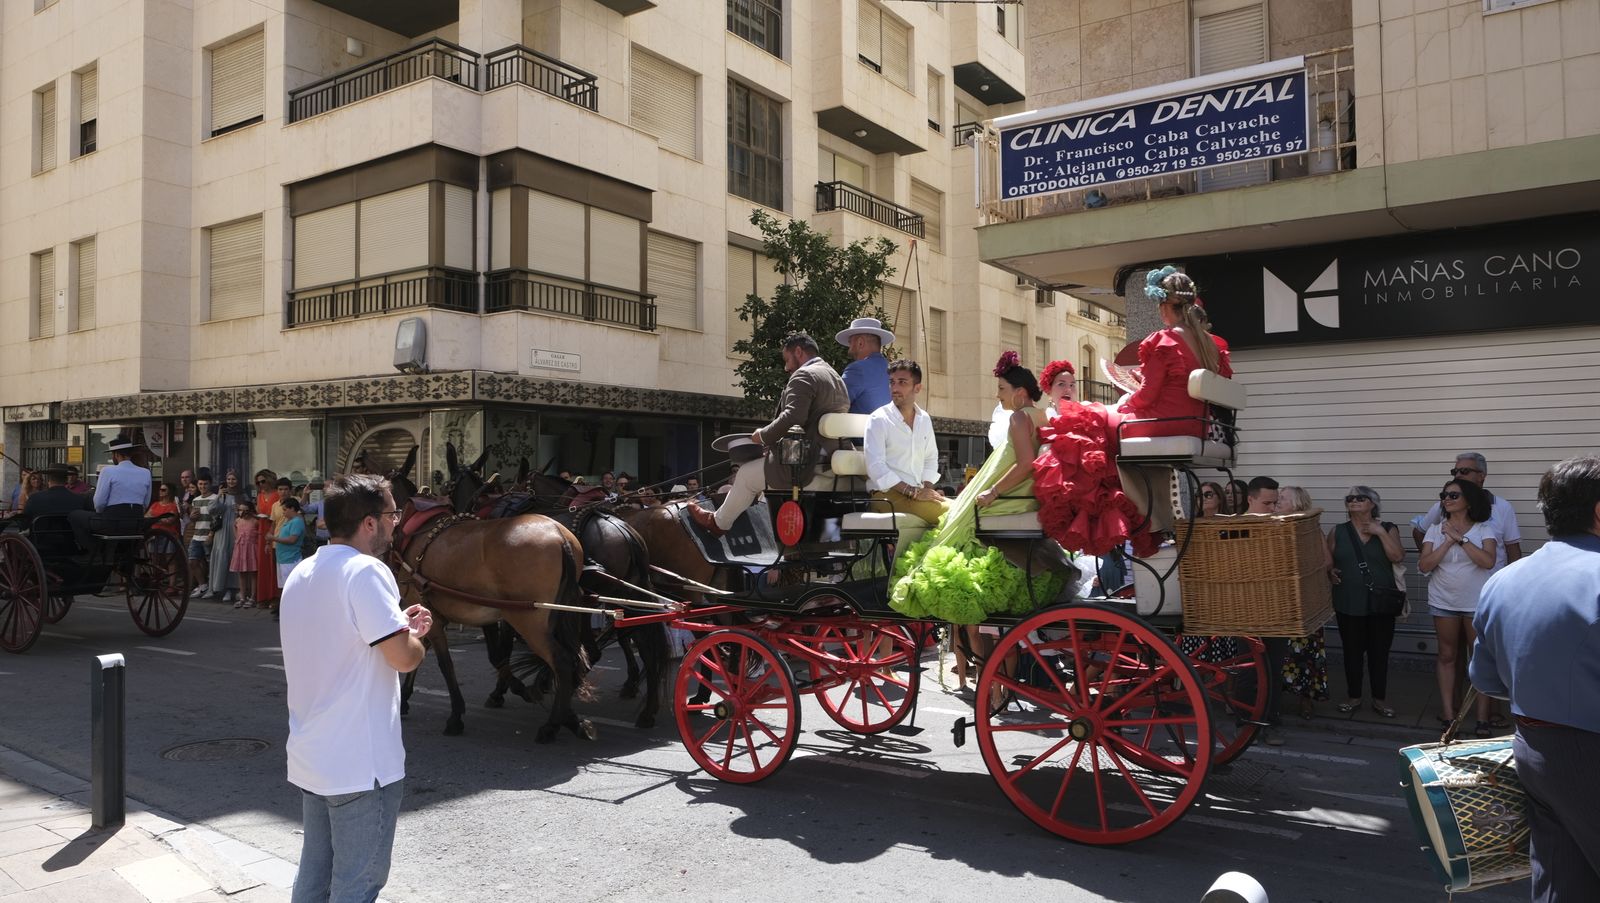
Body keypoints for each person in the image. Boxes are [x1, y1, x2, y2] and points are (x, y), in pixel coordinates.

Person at [280, 474, 430, 903]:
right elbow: (403, 658)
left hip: (314, 752)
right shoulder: (367, 570)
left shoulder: (305, 570)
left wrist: (397, 623)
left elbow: (343, 638)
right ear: (368, 522)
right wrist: (416, 639)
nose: (396, 523)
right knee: (358, 883)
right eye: (391, 514)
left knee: (315, 876)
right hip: (362, 763)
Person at [1470, 455, 1600, 902]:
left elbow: (1485, 679)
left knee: (1560, 882)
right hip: (1589, 749)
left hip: (1532, 748)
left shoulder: (1504, 580)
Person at [889, 350, 1064, 624]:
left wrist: (993, 491)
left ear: (1020, 392)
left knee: (954, 527)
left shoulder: (1020, 418)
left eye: (1002, 389)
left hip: (1009, 497)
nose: (998, 395)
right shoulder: (1043, 415)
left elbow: (1026, 463)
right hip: (1023, 496)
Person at [688, 333, 849, 536]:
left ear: (798, 352)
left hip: (805, 464)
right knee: (762, 476)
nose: (786, 367)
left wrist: (761, 436)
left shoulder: (804, 375)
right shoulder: (836, 378)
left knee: (746, 474)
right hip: (833, 461)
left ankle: (718, 523)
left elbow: (793, 418)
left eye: (787, 360)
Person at [1419, 478, 1497, 734]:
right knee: (1447, 656)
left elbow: (1487, 561)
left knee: (1479, 659)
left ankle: (1482, 718)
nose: (1447, 499)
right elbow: (1425, 565)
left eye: (1453, 495)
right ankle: (1449, 717)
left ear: (1468, 500)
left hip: (1476, 603)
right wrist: (1448, 541)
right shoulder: (1435, 529)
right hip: (1444, 602)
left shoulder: (1484, 528)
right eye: (1444, 495)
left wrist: (1461, 540)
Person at [1327, 485, 1404, 718]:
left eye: (1360, 498)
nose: (1354, 501)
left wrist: (1379, 532)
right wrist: (1330, 571)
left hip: (1381, 602)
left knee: (1379, 652)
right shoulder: (1338, 531)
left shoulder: (1388, 528)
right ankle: (1354, 696)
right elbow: (1328, 561)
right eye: (1350, 498)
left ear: (1373, 503)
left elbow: (1397, 556)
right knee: (1351, 651)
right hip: (1348, 600)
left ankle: (1380, 698)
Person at [863, 359, 948, 527]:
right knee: (952, 513)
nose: (895, 388)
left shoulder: (924, 419)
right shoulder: (878, 419)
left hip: (915, 494)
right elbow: (876, 466)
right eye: (892, 382)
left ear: (917, 388)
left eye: (902, 382)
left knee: (964, 509)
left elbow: (930, 458)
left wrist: (927, 490)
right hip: (885, 496)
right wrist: (913, 492)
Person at [1411, 451, 1522, 567]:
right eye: (1455, 472)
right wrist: (1430, 560)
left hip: (1490, 583)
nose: (1458, 475)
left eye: (1464, 471)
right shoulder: (1444, 505)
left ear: (1481, 476)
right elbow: (1419, 531)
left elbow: (1513, 549)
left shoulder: (1502, 507)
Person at [1276, 486, 1329, 719]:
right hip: (1277, 601)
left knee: (1305, 652)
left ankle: (1306, 700)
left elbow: (1326, 560)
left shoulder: (1310, 529)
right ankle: (1273, 700)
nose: (1277, 501)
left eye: (1282, 498)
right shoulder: (1269, 525)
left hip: (1304, 600)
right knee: (1277, 654)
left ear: (1297, 504)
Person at [69, 435, 151, 554]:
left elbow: (99, 502)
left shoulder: (108, 471)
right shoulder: (145, 472)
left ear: (116, 455)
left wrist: (100, 513)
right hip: (136, 520)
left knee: (74, 515)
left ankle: (94, 550)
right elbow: (146, 502)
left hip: (112, 520)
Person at [837, 317, 894, 416]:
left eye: (850, 343)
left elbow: (835, 403)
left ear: (860, 343)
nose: (849, 349)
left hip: (862, 431)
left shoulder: (857, 369)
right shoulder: (893, 369)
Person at [208, 471, 244, 601]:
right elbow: (212, 510)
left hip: (237, 530)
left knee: (234, 558)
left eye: (233, 479)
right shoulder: (223, 495)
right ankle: (222, 588)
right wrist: (218, 496)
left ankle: (235, 588)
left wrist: (240, 509)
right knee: (222, 556)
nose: (231, 482)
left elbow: (249, 512)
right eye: (228, 479)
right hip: (222, 531)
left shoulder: (243, 495)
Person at [187, 476, 218, 597]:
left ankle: (212, 587)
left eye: (205, 484)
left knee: (211, 563)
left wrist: (211, 534)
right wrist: (192, 517)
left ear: (210, 484)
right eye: (200, 484)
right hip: (197, 534)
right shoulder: (196, 500)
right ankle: (202, 585)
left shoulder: (215, 498)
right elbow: (194, 520)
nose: (202, 487)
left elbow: (217, 519)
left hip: (209, 535)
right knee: (192, 561)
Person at [229, 498, 260, 609]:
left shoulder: (256, 521)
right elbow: (236, 532)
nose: (242, 512)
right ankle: (242, 597)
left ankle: (253, 597)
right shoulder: (237, 521)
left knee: (253, 573)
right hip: (241, 549)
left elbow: (260, 534)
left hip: (251, 548)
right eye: (240, 510)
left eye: (245, 510)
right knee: (242, 573)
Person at [274, 497, 308, 593]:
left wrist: (273, 538)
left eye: (285, 510)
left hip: (291, 559)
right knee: (285, 587)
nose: (283, 512)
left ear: (292, 508)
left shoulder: (297, 521)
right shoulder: (289, 521)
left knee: (291, 588)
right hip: (283, 558)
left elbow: (292, 540)